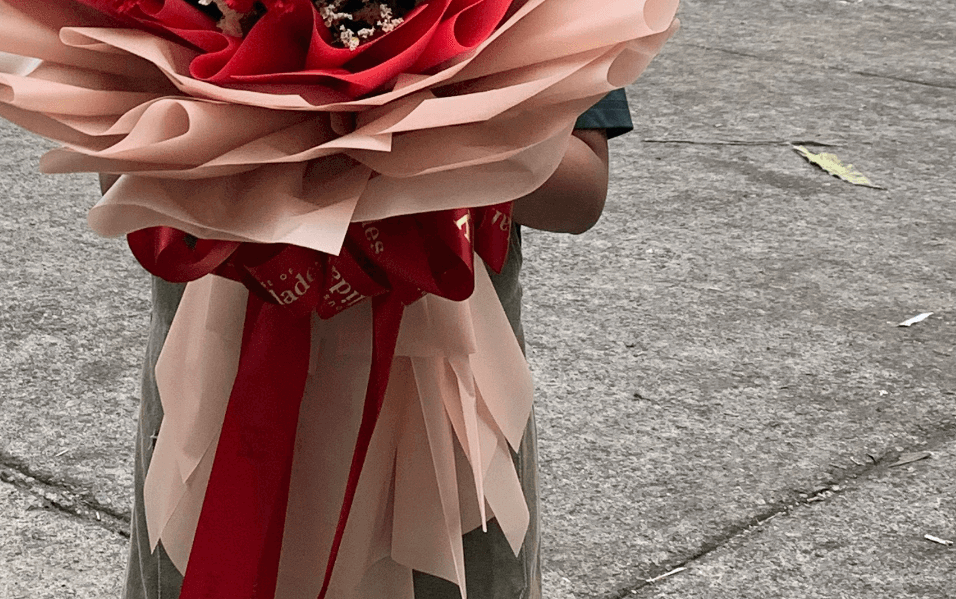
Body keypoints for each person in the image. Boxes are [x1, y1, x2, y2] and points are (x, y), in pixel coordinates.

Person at [123, 89, 633, 599]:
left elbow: (581, 191)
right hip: (216, 382)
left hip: (449, 416)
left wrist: (414, 122)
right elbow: (117, 172)